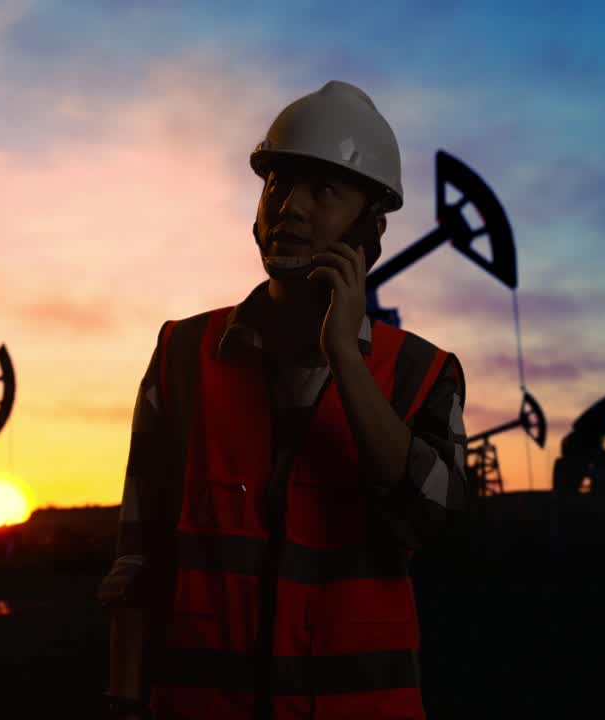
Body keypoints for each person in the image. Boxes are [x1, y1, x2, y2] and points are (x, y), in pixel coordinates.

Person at [98, 80, 468, 720]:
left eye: (324, 190)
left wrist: (346, 358)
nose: (291, 207)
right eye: (278, 184)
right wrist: (124, 703)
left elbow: (428, 522)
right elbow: (139, 556)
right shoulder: (182, 356)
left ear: (370, 228)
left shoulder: (421, 373)